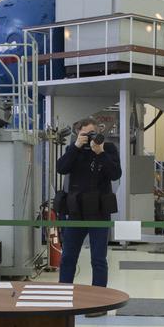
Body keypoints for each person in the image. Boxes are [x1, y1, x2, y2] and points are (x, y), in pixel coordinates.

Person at [56, 119, 122, 293]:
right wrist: (76, 147)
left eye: (92, 133)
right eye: (85, 134)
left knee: (98, 259)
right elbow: (61, 168)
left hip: (99, 212)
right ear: (78, 134)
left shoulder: (108, 149)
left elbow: (115, 174)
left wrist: (100, 153)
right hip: (76, 211)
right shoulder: (73, 150)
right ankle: (63, 295)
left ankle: (98, 299)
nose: (90, 137)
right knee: (68, 256)